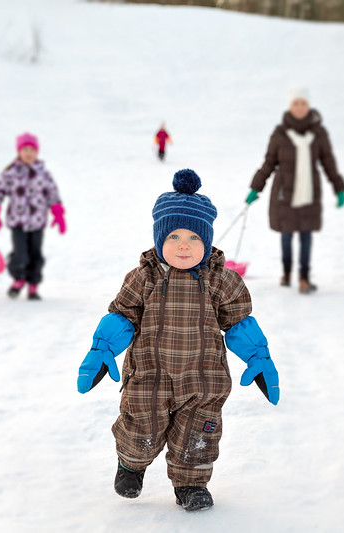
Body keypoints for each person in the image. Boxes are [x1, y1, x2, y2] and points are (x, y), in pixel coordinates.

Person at [76, 169, 279, 511]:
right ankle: (131, 464)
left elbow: (239, 323)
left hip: (203, 377)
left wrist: (258, 357)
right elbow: (123, 316)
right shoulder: (143, 277)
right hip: (150, 374)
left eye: (194, 238)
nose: (184, 245)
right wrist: (102, 349)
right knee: (141, 422)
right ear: (159, 240)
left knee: (199, 431)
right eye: (173, 237)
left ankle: (190, 483)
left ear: (207, 241)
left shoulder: (222, 281)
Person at [247, 88, 344, 294]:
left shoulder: (319, 133)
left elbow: (328, 162)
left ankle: (303, 278)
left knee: (306, 236)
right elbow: (269, 162)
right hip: (285, 194)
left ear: (308, 106)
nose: (299, 107)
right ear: (290, 106)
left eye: (303, 103)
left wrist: (339, 188)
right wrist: (255, 188)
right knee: (286, 236)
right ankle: (286, 273)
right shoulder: (280, 133)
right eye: (295, 103)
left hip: (308, 193)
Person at [0, 132, 66, 301]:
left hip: (38, 222)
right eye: (25, 149)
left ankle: (33, 285)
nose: (29, 153)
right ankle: (18, 277)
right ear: (19, 151)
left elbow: (52, 193)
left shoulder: (43, 173)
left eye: (32, 149)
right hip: (18, 222)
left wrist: (58, 213)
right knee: (20, 255)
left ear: (37, 152)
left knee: (36, 256)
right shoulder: (11, 173)